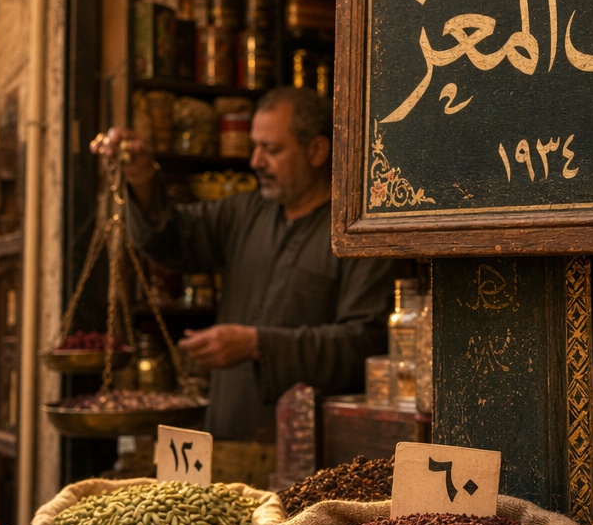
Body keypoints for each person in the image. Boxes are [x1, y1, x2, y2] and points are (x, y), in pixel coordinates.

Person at [93, 87, 404, 444]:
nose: (255, 161)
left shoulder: (358, 231)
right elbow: (170, 237)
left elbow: (364, 343)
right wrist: (142, 176)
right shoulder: (244, 212)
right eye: (255, 146)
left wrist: (256, 344)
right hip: (227, 431)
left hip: (310, 448)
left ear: (317, 151)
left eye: (271, 149)